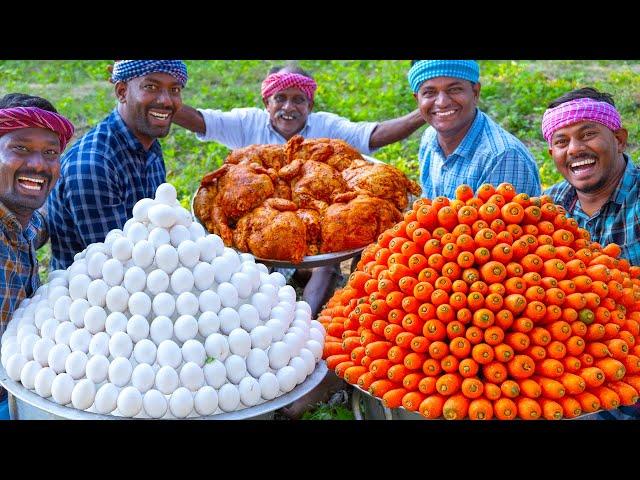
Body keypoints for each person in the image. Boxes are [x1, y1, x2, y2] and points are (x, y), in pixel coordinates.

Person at [174, 63, 426, 419]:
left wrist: (425, 110)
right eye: (280, 98)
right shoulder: (247, 126)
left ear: (310, 104)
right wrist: (164, 99)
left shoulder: (326, 133)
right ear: (267, 101)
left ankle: (304, 335)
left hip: (318, 230)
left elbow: (375, 135)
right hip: (263, 233)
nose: (288, 107)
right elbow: (200, 120)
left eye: (298, 100)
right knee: (256, 273)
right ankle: (264, 339)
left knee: (323, 265)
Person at [542, 87, 640, 421]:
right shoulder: (549, 207)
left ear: (619, 138)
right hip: (563, 366)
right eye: (561, 141)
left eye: (588, 135)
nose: (575, 150)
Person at [46, 60, 188, 270]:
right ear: (122, 92)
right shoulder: (94, 165)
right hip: (91, 294)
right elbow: (118, 268)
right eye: (151, 87)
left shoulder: (148, 144)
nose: (166, 101)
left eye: (174, 89)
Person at [0, 93, 75, 420]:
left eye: (50, 153)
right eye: (20, 148)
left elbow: (38, 224)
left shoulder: (19, 222)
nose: (38, 164)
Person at [408, 60, 542, 198]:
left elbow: (500, 218)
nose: (442, 102)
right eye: (429, 92)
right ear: (417, 99)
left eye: (454, 89)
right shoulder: (430, 137)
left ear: (475, 92)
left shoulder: (502, 156)